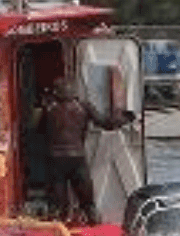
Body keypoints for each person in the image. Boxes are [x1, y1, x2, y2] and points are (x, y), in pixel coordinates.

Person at [41, 76, 134, 225]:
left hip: (55, 159)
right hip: (77, 158)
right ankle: (95, 230)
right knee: (88, 203)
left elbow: (38, 131)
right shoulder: (84, 107)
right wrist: (126, 118)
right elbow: (106, 123)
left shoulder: (49, 109)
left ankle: (59, 233)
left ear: (56, 92)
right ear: (74, 91)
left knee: (58, 206)